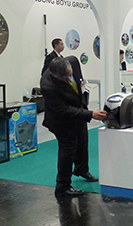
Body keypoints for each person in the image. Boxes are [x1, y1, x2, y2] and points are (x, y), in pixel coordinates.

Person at [40, 57, 106, 196]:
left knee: (82, 140)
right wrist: (90, 114)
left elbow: (79, 85)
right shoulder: (47, 86)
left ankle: (81, 169)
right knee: (68, 149)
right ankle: (62, 186)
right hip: (60, 120)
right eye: (65, 77)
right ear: (55, 75)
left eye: (69, 74)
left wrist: (84, 110)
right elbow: (63, 110)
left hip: (78, 112)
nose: (69, 78)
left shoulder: (73, 61)